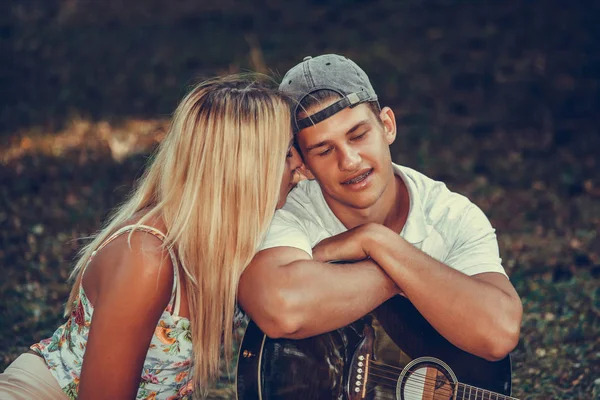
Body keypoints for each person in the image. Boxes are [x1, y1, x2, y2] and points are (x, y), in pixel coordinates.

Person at [0, 75, 303, 400]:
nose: (300, 164)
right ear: (246, 169)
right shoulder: (146, 258)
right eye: (286, 154)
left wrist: (360, 244)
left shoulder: (227, 241)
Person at [238, 54, 523, 362]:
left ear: (387, 125)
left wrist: (377, 241)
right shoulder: (291, 209)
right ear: (304, 166)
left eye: (358, 135)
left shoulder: (448, 215)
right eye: (324, 150)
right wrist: (403, 274)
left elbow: (499, 334)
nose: (349, 160)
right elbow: (282, 308)